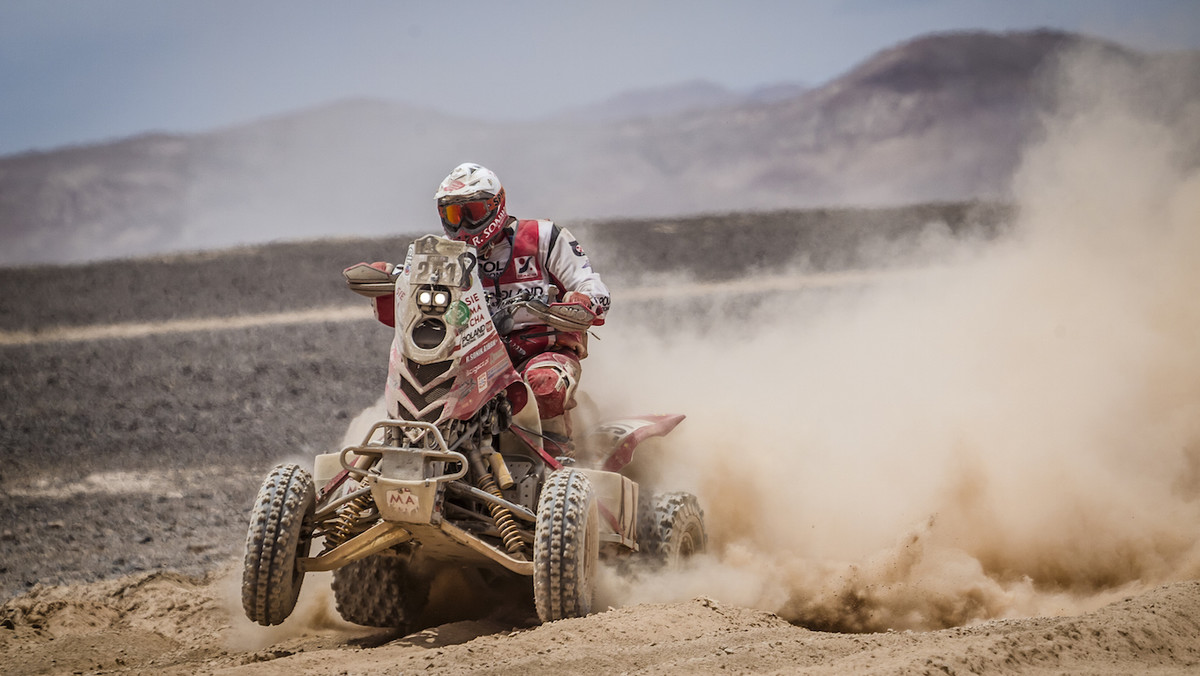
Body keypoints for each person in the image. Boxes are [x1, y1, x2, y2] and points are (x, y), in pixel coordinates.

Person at [434, 162, 610, 450]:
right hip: (472, 357)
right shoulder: (442, 252)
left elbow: (590, 283)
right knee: (426, 393)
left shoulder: (543, 237)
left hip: (544, 350)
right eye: (452, 214)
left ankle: (558, 465)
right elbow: (411, 284)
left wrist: (583, 299)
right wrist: (389, 280)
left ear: (495, 205)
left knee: (544, 382)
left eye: (471, 212)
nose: (462, 225)